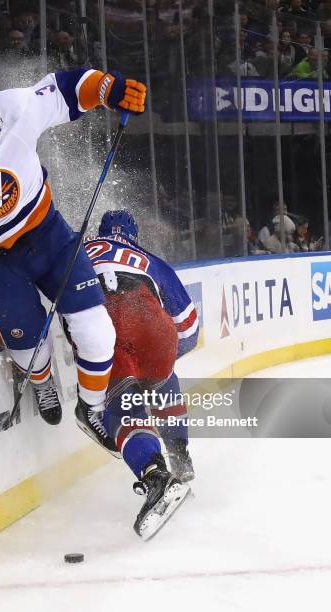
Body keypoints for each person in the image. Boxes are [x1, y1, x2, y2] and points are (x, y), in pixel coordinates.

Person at [0, 68, 146, 429]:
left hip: (50, 237)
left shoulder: (16, 106)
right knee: (26, 348)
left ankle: (91, 408)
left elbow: (67, 89)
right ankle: (43, 383)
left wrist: (110, 88)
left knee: (97, 332)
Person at [82, 210, 198, 539]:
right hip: (153, 328)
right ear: (135, 237)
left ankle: (157, 477)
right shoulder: (149, 259)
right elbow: (189, 328)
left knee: (123, 409)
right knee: (163, 373)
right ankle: (179, 455)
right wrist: (159, 361)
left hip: (108, 330)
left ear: (100, 232)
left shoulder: (78, 250)